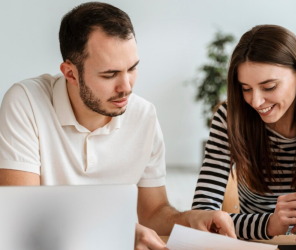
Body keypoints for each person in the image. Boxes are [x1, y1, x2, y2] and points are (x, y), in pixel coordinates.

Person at [0, 2, 236, 250]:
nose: (126, 87)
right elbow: (21, 218)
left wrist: (188, 219)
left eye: (132, 68)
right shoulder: (26, 102)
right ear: (70, 74)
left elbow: (153, 212)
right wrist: (117, 231)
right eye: (109, 74)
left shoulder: (144, 116)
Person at [192, 24, 296, 243]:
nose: (256, 101)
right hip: (257, 244)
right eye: (246, 88)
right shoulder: (229, 118)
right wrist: (270, 224)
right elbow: (203, 218)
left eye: (269, 87)